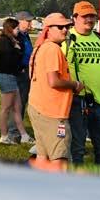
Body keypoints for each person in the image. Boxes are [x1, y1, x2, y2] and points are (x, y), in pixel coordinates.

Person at [64, 0, 100, 168]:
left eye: (92, 16)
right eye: (84, 16)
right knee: (77, 148)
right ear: (74, 18)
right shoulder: (66, 39)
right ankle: (77, 181)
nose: (89, 19)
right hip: (77, 102)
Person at [27, 13, 82, 171]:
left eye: (67, 27)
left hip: (38, 108)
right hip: (52, 112)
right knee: (60, 158)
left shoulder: (41, 47)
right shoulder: (53, 49)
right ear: (48, 29)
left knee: (42, 156)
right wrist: (75, 85)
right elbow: (54, 81)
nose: (65, 30)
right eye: (60, 27)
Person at [0, 18, 32, 144]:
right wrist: (17, 49)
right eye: (16, 29)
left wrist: (17, 48)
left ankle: (24, 135)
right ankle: (4, 136)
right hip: (6, 77)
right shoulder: (4, 41)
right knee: (5, 108)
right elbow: (9, 61)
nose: (17, 31)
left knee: (17, 107)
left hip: (11, 77)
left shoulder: (11, 40)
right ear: (10, 29)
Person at [8, 12, 35, 142]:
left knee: (22, 102)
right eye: (28, 21)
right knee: (18, 103)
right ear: (20, 21)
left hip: (26, 71)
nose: (30, 23)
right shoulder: (15, 35)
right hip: (19, 72)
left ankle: (16, 130)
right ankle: (13, 133)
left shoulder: (25, 35)